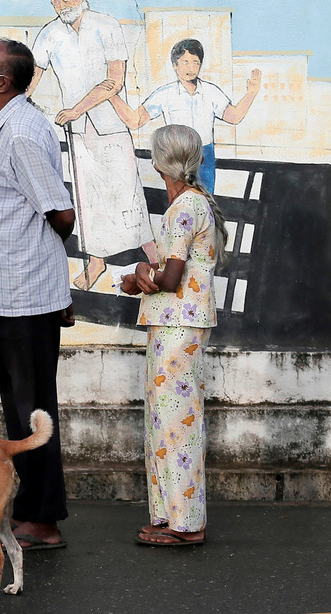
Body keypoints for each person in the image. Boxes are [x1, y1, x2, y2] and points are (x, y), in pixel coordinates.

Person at [0, 38, 75, 550]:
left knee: (33, 410)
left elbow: (60, 213)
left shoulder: (23, 132)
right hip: (1, 293)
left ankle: (42, 519)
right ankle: (26, 509)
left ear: (0, 82)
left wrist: (48, 279)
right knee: (18, 405)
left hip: (22, 295)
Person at [120, 124, 224, 547]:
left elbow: (171, 278)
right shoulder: (198, 204)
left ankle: (187, 524)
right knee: (168, 420)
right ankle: (171, 516)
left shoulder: (183, 208)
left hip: (177, 326)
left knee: (174, 423)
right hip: (180, 324)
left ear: (160, 162)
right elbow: (170, 271)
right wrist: (146, 273)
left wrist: (138, 277)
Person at [29, 0, 156, 291]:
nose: (61, 5)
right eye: (55, 0)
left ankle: (154, 256)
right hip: (76, 130)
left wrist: (77, 109)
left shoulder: (107, 24)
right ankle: (95, 261)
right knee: (87, 200)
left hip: (110, 123)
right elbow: (33, 76)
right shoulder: (49, 34)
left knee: (128, 192)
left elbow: (116, 80)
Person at [109, 38, 262, 194]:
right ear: (175, 66)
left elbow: (234, 117)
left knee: (206, 203)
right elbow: (136, 121)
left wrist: (251, 93)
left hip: (205, 154)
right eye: (185, 62)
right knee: (181, 206)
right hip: (177, 155)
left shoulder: (211, 92)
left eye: (196, 62)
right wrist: (112, 96)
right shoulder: (166, 94)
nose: (191, 67)